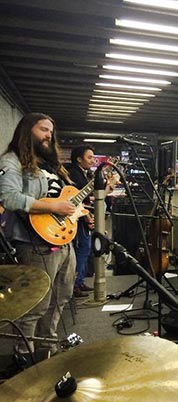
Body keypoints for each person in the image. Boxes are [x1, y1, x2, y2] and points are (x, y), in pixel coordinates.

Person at [0, 113, 77, 358]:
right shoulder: (12, 161)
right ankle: (24, 356)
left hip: (62, 240)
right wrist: (52, 208)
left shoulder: (51, 165)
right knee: (36, 304)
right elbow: (8, 197)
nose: (49, 135)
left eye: (51, 132)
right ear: (27, 131)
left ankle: (47, 350)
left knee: (60, 298)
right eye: (44, 129)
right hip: (33, 244)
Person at [64, 145, 96, 298]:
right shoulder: (75, 175)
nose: (92, 160)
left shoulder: (81, 174)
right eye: (89, 157)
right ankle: (76, 284)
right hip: (78, 219)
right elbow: (78, 200)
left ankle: (80, 281)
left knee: (85, 249)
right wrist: (87, 217)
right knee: (82, 250)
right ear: (78, 159)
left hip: (81, 217)